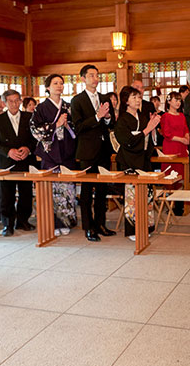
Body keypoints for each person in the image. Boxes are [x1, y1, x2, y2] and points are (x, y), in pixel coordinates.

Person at [71, 64, 116, 242]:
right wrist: (97, 117)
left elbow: (111, 124)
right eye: (91, 75)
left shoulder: (104, 98)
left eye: (97, 75)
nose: (95, 79)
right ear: (83, 78)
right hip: (87, 151)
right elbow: (78, 127)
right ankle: (89, 228)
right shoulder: (77, 100)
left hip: (104, 150)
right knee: (87, 192)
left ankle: (101, 224)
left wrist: (106, 118)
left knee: (102, 191)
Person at [30, 74, 78, 236]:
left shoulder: (68, 106)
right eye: (55, 83)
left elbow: (75, 128)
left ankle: (67, 222)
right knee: (52, 189)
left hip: (66, 151)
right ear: (48, 87)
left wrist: (67, 125)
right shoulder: (41, 108)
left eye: (61, 83)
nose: (59, 86)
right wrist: (54, 125)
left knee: (67, 189)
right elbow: (34, 129)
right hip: (50, 153)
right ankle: (53, 222)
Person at [114, 86, 161, 240]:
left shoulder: (142, 117)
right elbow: (127, 141)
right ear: (126, 101)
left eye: (139, 97)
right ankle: (132, 229)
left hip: (143, 159)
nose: (138, 100)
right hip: (129, 160)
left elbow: (149, 139)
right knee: (132, 197)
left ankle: (146, 225)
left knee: (146, 195)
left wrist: (152, 129)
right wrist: (147, 130)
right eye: (134, 97)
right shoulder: (122, 120)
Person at [0, 89, 36, 237]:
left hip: (25, 160)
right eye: (11, 101)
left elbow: (36, 137)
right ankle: (7, 224)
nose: (14, 104)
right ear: (4, 103)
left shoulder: (30, 117)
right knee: (6, 195)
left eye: (17, 100)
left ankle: (23, 221)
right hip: (6, 161)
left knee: (26, 193)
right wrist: (8, 151)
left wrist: (28, 148)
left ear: (21, 101)